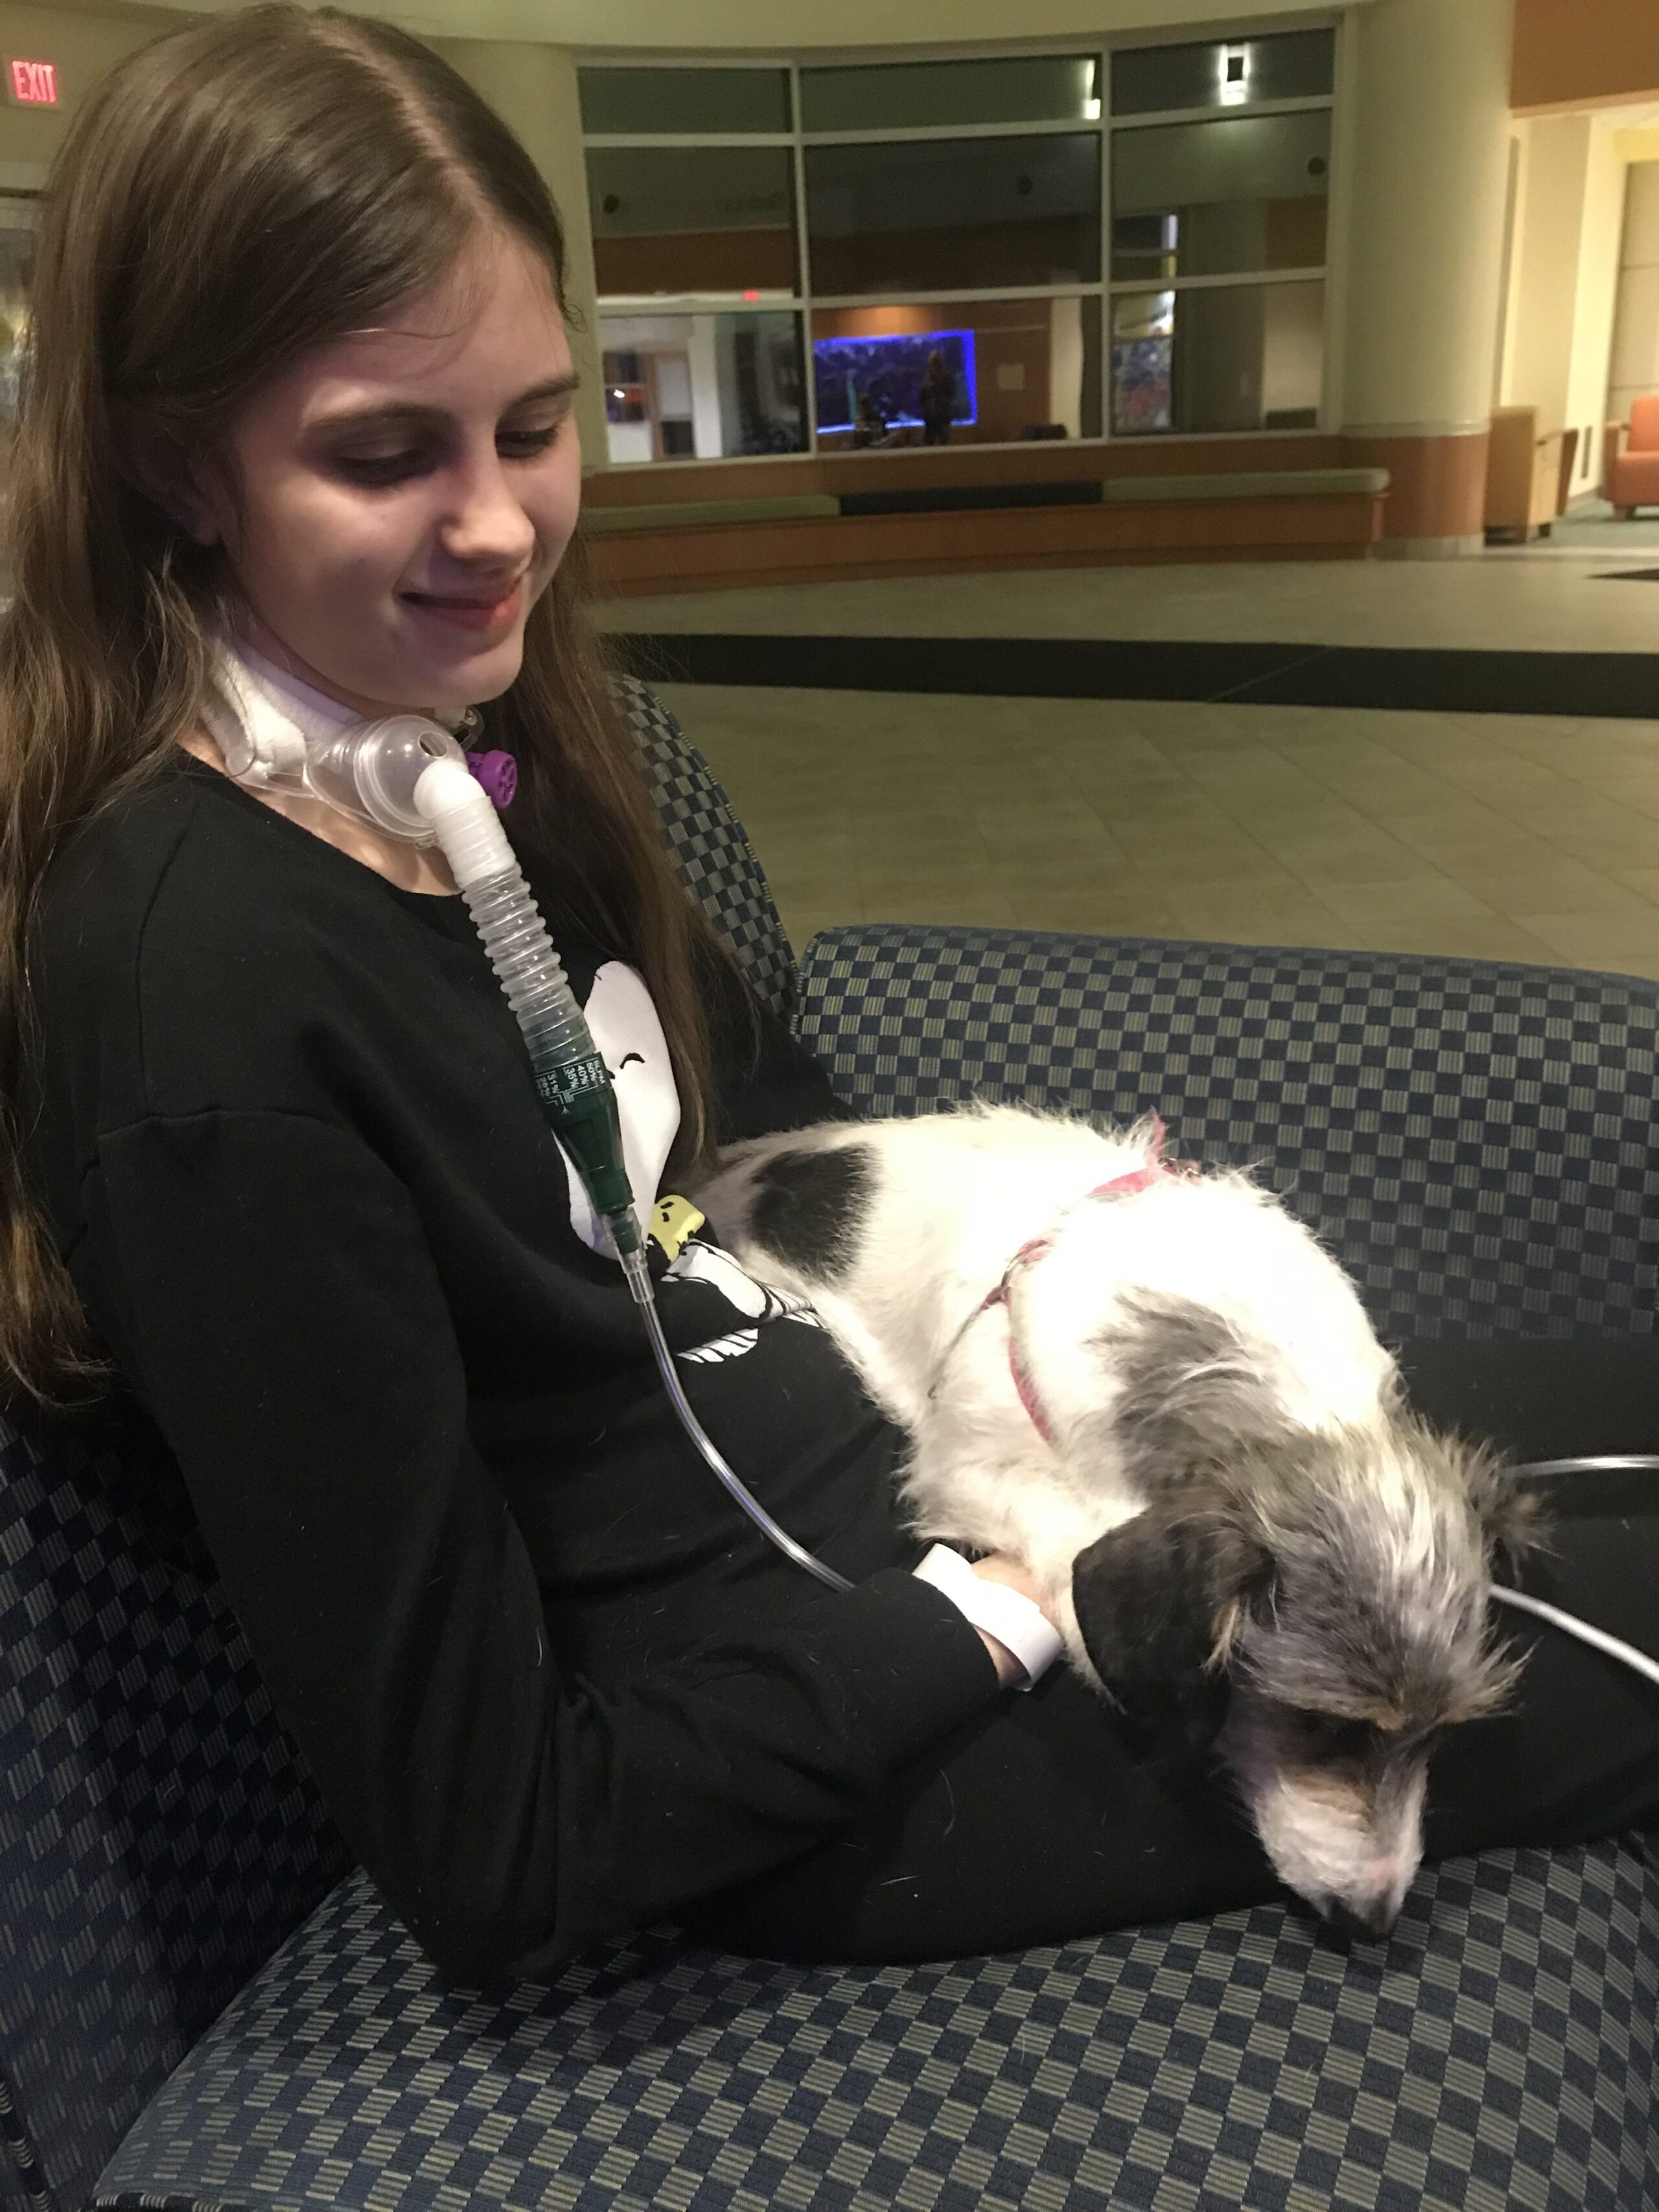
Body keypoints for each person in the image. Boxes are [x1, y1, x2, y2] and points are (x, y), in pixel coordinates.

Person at [1, 4, 1654, 1994]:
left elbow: (753, 1170)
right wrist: (979, 1611)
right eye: (383, 453)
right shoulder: (203, 1006)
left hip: (934, 1474)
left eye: (535, 426)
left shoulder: (484, 764)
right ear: (181, 465)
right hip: (826, 1710)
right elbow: (500, 1835)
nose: (503, 527)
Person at [918, 347, 955, 446]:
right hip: (932, 414)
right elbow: (923, 395)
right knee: (932, 440)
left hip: (942, 413)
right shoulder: (928, 377)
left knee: (942, 440)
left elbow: (950, 393)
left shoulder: (945, 377)